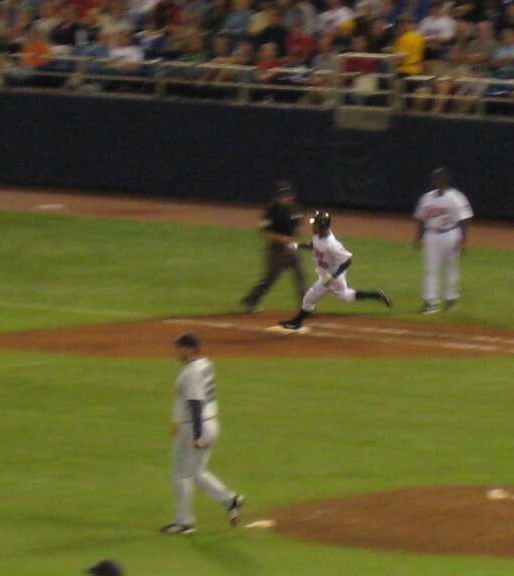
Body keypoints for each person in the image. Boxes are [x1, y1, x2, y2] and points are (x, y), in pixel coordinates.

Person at [160, 333, 245, 535]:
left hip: (195, 427)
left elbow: (195, 403)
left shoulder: (191, 373)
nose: (176, 351)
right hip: (211, 424)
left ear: (189, 349)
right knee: (196, 472)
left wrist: (196, 435)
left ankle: (184, 522)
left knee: (181, 474)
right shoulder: (205, 364)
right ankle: (231, 500)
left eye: (179, 347)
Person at [278, 211, 391, 331]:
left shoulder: (332, 244)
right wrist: (298, 245)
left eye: (315, 224)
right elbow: (313, 246)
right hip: (327, 275)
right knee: (345, 296)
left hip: (332, 278)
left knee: (309, 298)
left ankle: (296, 322)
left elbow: (347, 261)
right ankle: (375, 295)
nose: (313, 226)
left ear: (322, 226)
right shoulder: (317, 235)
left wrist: (332, 276)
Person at [414, 167, 473, 314]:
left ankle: (451, 300)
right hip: (432, 235)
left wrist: (463, 240)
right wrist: (419, 237)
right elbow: (421, 219)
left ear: (445, 180)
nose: (435, 181)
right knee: (430, 270)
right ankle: (431, 302)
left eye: (438, 178)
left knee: (450, 268)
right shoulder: (426, 198)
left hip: (451, 234)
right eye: (434, 179)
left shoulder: (456, 197)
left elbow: (465, 218)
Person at [241, 182, 306, 312]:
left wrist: (294, 236)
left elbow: (299, 223)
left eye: (288, 195)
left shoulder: (296, 208)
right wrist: (281, 239)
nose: (286, 198)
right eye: (283, 196)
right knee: (269, 279)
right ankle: (250, 301)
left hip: (291, 250)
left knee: (300, 276)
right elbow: (263, 231)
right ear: (277, 197)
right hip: (275, 251)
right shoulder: (270, 210)